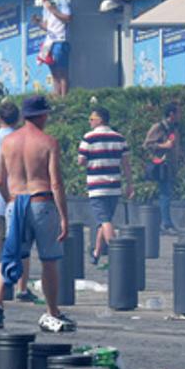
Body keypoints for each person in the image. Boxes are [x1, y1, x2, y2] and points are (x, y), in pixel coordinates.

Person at [0, 96, 73, 332]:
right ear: (41, 115)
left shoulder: (8, 142)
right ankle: (52, 311)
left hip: (15, 203)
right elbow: (56, 183)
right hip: (42, 202)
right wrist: (64, 217)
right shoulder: (48, 142)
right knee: (49, 260)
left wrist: (9, 199)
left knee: (10, 254)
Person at [0, 103, 29, 302]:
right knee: (21, 244)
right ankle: (21, 288)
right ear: (18, 119)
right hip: (17, 199)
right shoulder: (22, 141)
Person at [77, 105, 131, 266]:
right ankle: (96, 253)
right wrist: (130, 184)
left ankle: (117, 258)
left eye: (91, 119)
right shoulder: (119, 138)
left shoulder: (89, 138)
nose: (89, 122)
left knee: (105, 220)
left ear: (100, 120)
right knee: (105, 219)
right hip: (114, 185)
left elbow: (81, 161)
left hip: (97, 186)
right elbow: (126, 164)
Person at [143, 103, 181, 233]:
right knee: (165, 194)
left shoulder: (174, 128)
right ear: (171, 114)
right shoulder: (159, 127)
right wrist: (163, 146)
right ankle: (166, 224)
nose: (180, 115)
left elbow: (176, 146)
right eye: (178, 112)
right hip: (161, 165)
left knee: (166, 194)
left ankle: (162, 222)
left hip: (170, 166)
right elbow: (147, 144)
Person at [32, 0, 71, 96]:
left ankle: (64, 98)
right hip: (48, 41)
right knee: (53, 70)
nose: (45, 2)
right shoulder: (45, 7)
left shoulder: (62, 3)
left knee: (62, 71)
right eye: (43, 0)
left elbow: (68, 18)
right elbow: (47, 26)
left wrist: (53, 10)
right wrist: (38, 22)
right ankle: (56, 96)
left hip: (60, 40)